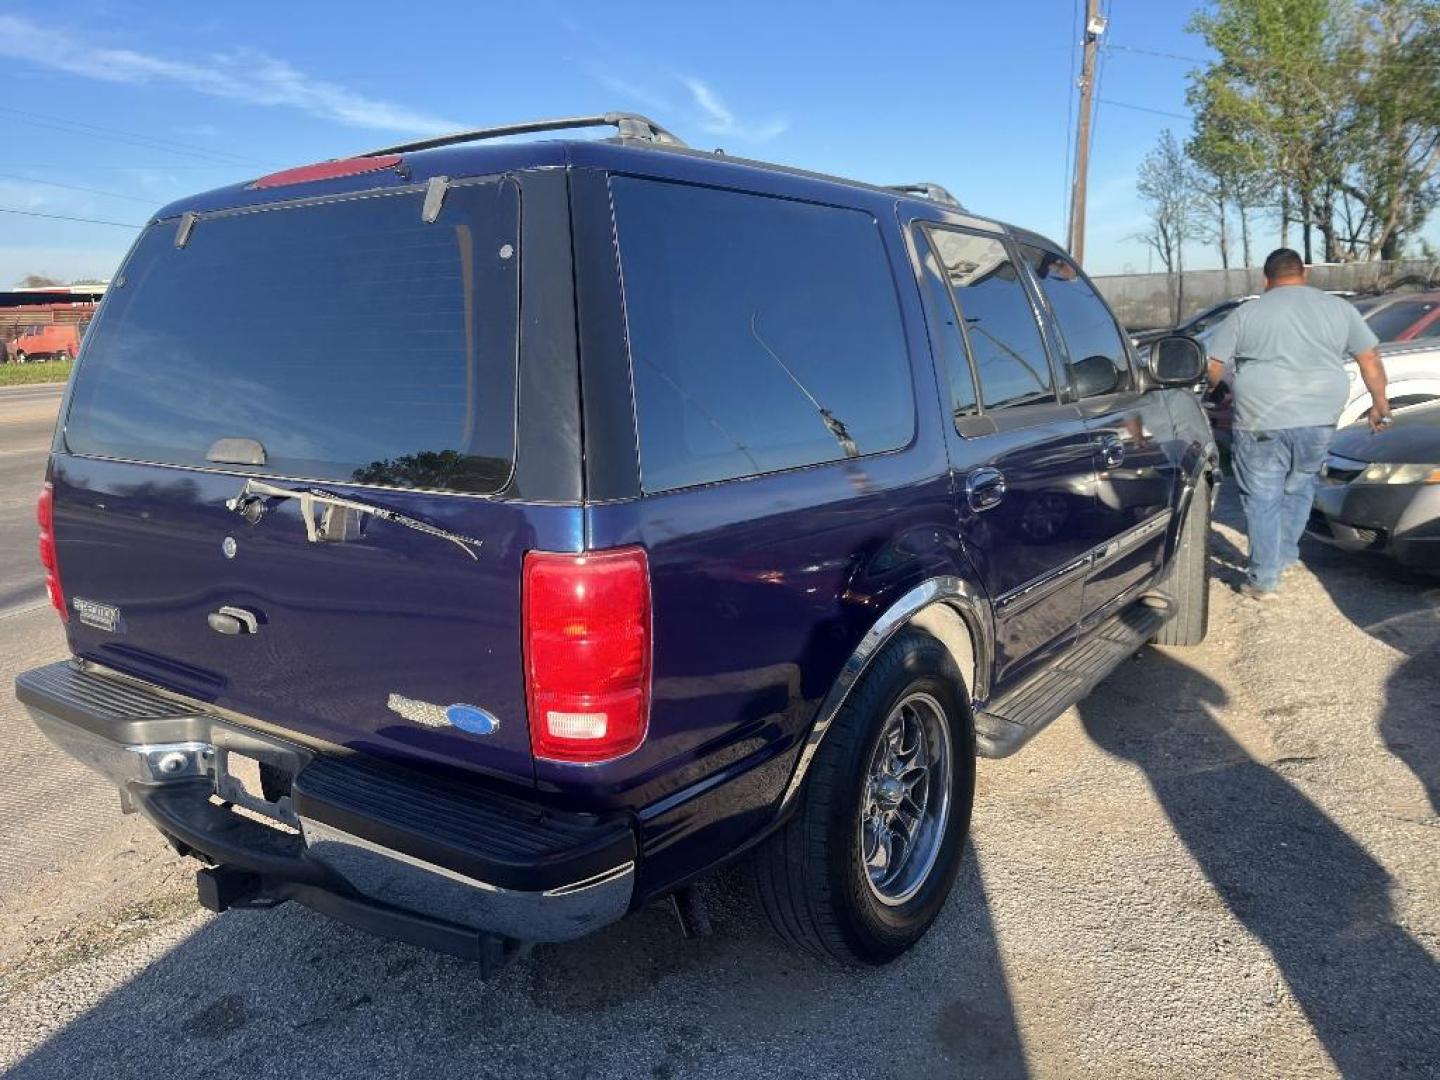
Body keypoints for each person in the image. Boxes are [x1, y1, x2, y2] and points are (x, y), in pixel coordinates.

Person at [1206, 248, 1389, 601]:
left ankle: (1264, 577)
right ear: (1303, 274)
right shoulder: (1339, 309)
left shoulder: (1248, 312)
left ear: (1266, 279)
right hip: (1319, 414)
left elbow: (1214, 364)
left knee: (1261, 495)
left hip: (1259, 415)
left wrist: (1221, 391)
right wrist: (1380, 404)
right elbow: (1370, 358)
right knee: (1300, 483)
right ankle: (1285, 555)